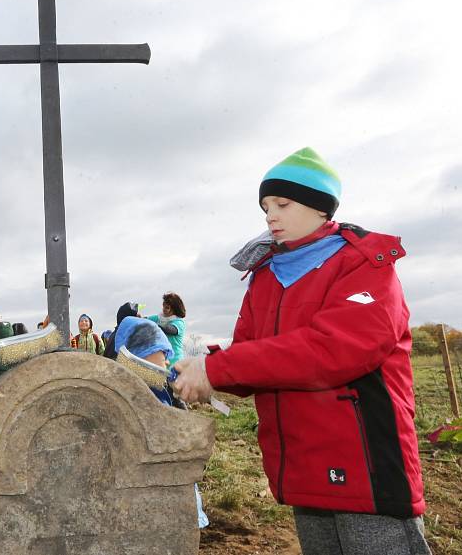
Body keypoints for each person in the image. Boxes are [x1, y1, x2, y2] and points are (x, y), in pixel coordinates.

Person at [174, 148, 430, 555]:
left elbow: (334, 350)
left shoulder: (364, 265)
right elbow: (254, 353)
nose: (270, 216)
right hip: (302, 461)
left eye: (282, 203)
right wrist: (202, 368)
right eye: (264, 207)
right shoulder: (265, 276)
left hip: (365, 463)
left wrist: (218, 369)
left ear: (319, 207)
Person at [114, 316, 208, 529]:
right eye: (161, 353)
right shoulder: (132, 395)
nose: (167, 361)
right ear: (141, 354)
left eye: (167, 354)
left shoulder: (164, 391)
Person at [148, 292, 186, 364]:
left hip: (175, 362)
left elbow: (169, 330)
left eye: (167, 308)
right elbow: (144, 320)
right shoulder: (158, 318)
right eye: (163, 306)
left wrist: (154, 325)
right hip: (161, 360)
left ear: (175, 309)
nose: (164, 309)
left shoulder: (179, 322)